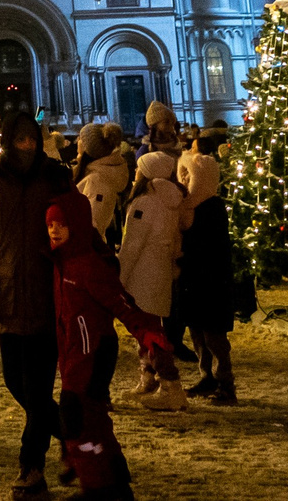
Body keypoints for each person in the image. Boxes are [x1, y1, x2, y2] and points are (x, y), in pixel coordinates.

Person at [0, 111, 72, 491]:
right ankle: (73, 438)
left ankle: (31, 467)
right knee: (16, 382)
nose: (26, 146)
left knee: (38, 388)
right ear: (8, 141)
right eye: (19, 139)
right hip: (10, 296)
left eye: (31, 139)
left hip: (47, 295)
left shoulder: (54, 177)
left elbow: (75, 227)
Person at [47, 187, 173, 500]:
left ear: (77, 226)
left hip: (93, 354)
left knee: (78, 419)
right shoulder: (61, 263)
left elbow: (121, 302)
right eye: (50, 225)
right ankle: (114, 480)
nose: (55, 230)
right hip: (76, 355)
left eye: (62, 224)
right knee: (92, 418)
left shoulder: (87, 266)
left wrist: (147, 333)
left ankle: (97, 487)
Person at [115, 151, 188, 410]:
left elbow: (133, 244)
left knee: (148, 331)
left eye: (139, 168)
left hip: (142, 274)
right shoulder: (171, 200)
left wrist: (119, 276)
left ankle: (170, 384)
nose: (135, 173)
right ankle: (148, 378)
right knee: (149, 328)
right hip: (160, 272)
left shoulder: (145, 202)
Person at [173, 138, 237, 404]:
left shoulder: (210, 207)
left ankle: (225, 382)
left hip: (211, 280)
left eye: (189, 175)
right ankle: (206, 375)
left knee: (213, 333)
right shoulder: (189, 207)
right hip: (194, 278)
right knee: (197, 330)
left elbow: (207, 247)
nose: (185, 180)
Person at [76, 127, 128, 241]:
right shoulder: (95, 176)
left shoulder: (97, 181)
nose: (77, 140)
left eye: (80, 138)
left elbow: (93, 223)